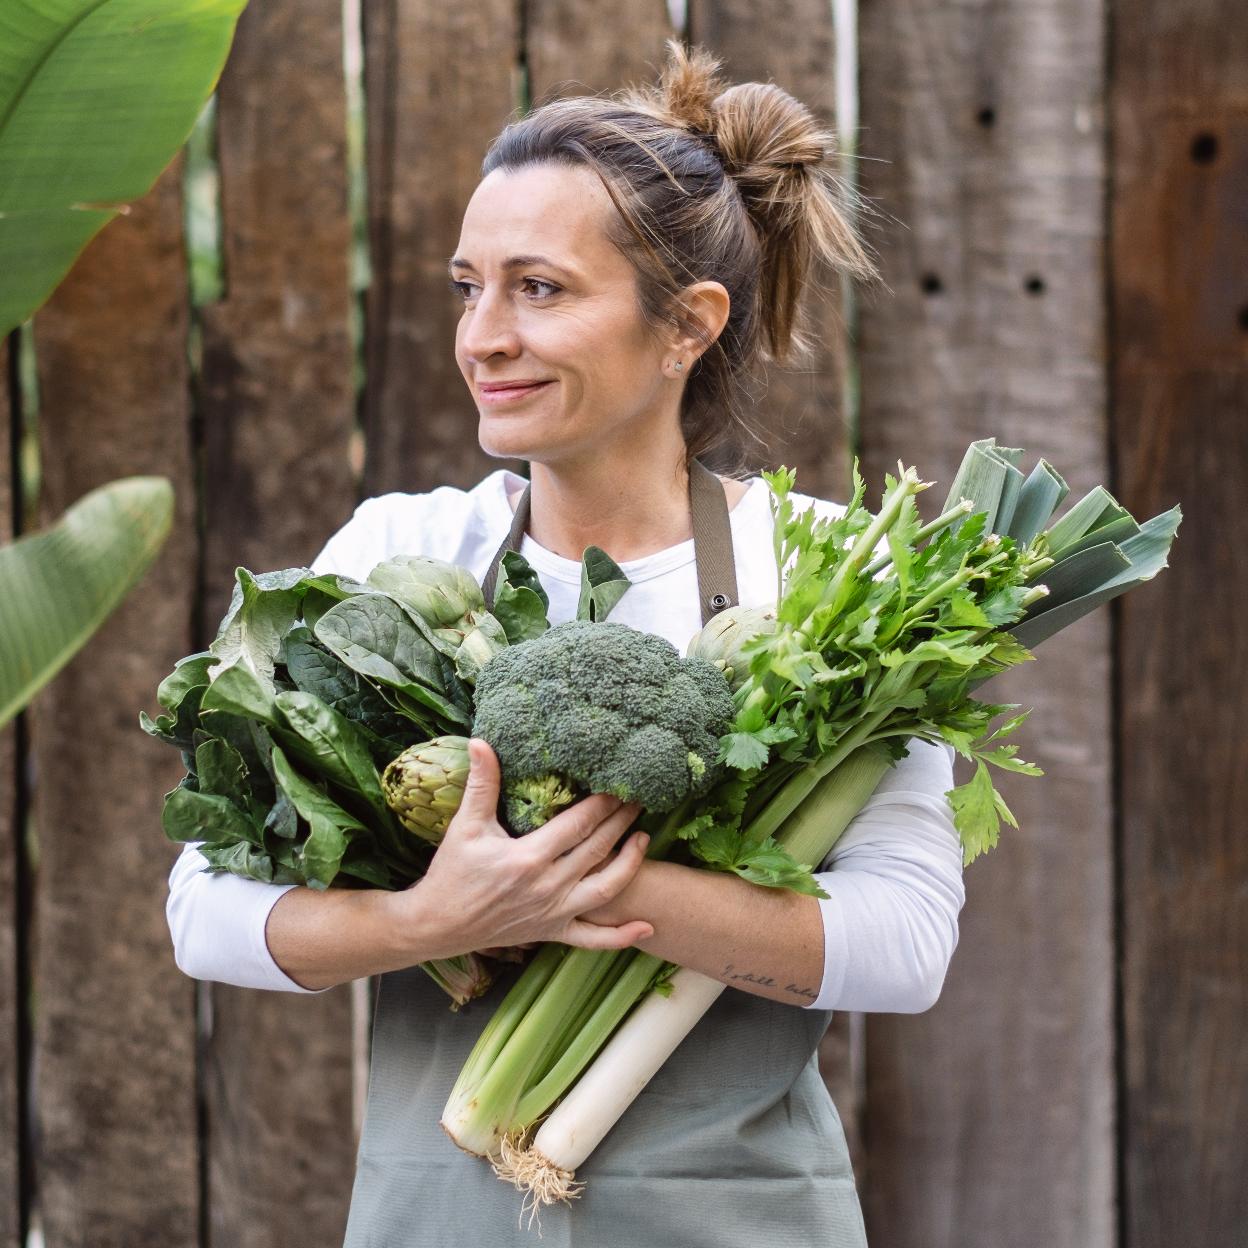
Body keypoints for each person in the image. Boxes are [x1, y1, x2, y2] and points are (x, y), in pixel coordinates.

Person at [165, 41, 965, 1246]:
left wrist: (581, 885)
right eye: (465, 286)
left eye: (538, 289)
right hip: (433, 1216)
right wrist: (433, 921)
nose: (482, 335)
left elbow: (901, 949)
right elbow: (205, 910)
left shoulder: (825, 575)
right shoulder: (399, 553)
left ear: (687, 325)